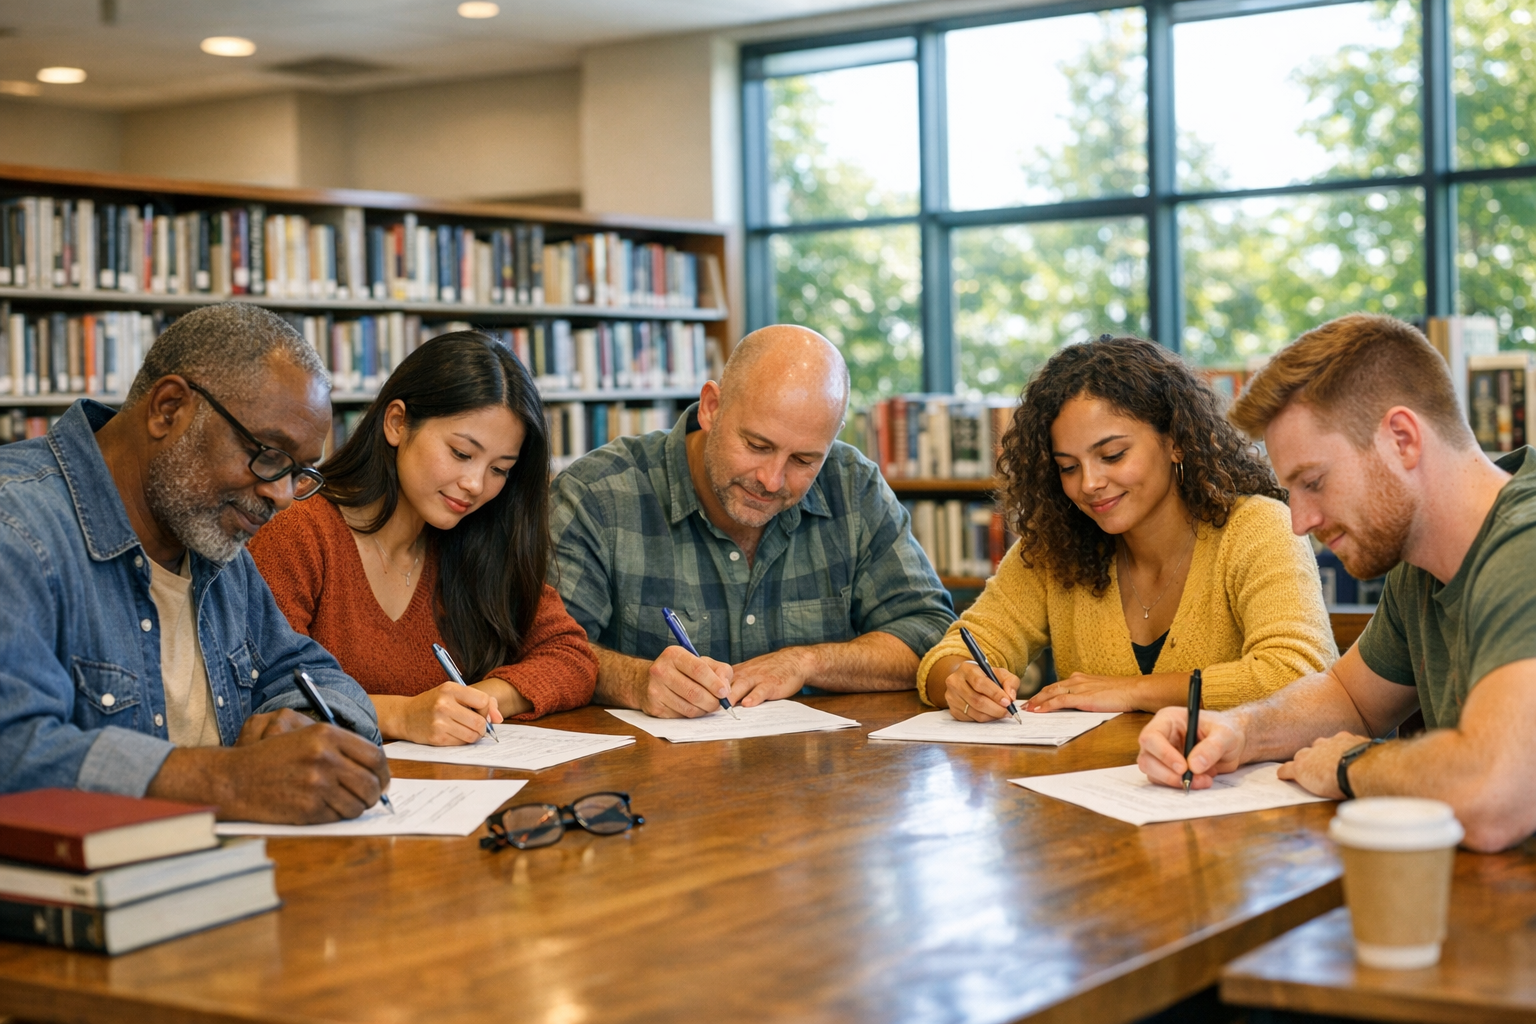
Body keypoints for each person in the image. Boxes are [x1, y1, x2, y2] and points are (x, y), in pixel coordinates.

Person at [1137, 314, 1536, 852]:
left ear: (1402, 438)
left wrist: (1353, 764)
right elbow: (1350, 696)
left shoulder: (1525, 544)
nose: (1299, 521)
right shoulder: (1420, 562)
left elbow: (1495, 796)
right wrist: (1238, 731)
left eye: (1314, 482)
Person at [0, 303, 390, 823]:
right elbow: (15, 753)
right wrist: (229, 780)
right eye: (269, 455)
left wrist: (291, 722)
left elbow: (311, 674)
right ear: (168, 408)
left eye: (298, 472)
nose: (280, 496)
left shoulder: (211, 534)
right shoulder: (17, 529)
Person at [921, 335, 1336, 720]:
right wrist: (962, 680)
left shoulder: (1256, 527)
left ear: (1176, 440)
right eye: (1067, 467)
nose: (1088, 484)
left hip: (1232, 788)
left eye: (1113, 455)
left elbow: (1300, 673)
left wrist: (1133, 691)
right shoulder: (1057, 546)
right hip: (1097, 788)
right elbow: (951, 654)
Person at [550, 324, 954, 718]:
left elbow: (928, 632)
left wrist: (807, 662)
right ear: (711, 407)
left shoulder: (853, 486)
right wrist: (634, 680)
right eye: (757, 446)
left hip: (819, 771)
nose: (771, 480)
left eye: (804, 460)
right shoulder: (598, 494)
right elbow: (546, 650)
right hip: (650, 775)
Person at [249, 332, 596, 744]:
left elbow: (572, 655)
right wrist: (401, 715)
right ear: (397, 423)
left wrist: (478, 700)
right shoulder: (298, 532)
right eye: (462, 454)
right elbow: (266, 695)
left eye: (500, 469)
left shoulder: (480, 537)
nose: (475, 484)